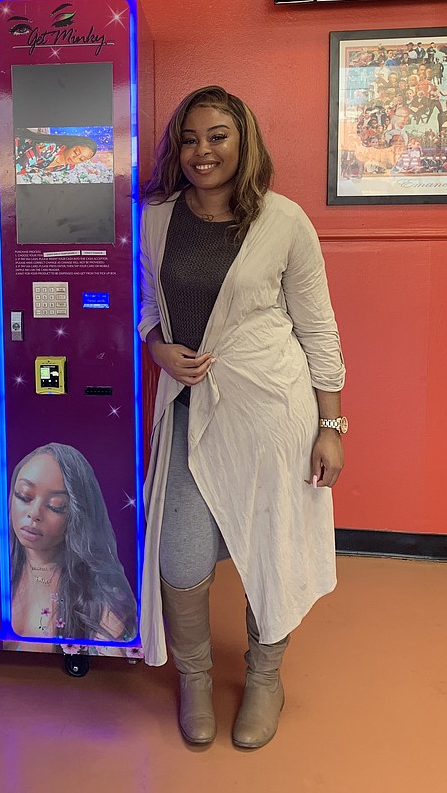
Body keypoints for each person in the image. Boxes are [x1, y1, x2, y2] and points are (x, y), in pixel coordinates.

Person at [139, 85, 346, 749]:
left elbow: (318, 330)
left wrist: (332, 426)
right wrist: (155, 347)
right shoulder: (155, 219)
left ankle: (265, 678)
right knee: (180, 556)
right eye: (191, 139)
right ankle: (194, 678)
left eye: (218, 136)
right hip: (190, 410)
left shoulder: (285, 222)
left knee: (272, 548)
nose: (203, 151)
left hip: (271, 414)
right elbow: (138, 307)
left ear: (244, 140)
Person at [9, 443, 137, 646]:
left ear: (77, 516)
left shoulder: (103, 602)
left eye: (55, 506)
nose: (34, 513)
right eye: (24, 496)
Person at [14, 132, 98, 175]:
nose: (75, 158)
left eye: (81, 159)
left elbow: (32, 170)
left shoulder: (69, 166)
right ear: (71, 145)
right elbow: (16, 167)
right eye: (76, 152)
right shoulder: (49, 148)